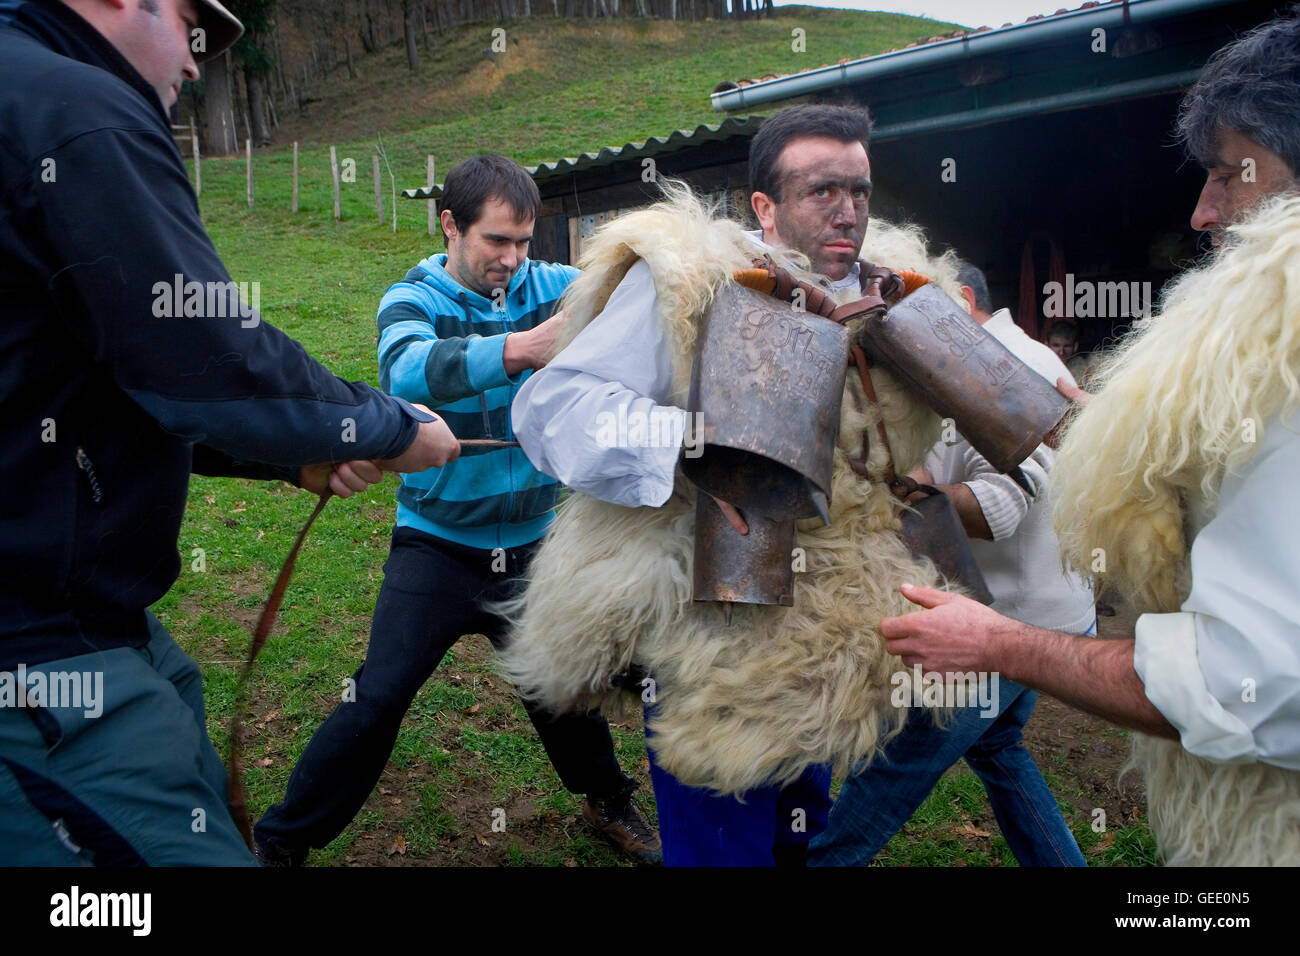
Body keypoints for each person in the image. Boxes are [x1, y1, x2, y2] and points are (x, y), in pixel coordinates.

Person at [0, 0, 460, 865]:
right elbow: (209, 357)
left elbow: (108, 380)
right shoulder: (76, 109)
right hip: (34, 654)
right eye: (188, 20)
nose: (200, 59)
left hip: (92, 616)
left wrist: (296, 462)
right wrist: (391, 427)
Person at [882, 7, 1300, 865]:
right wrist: (1099, 438)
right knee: (1004, 758)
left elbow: (1247, 684)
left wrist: (994, 641)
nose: (1202, 210)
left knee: (952, 749)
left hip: (1029, 623)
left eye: (1227, 175)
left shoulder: (1281, 355)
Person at [501, 105, 967, 865]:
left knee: (801, 827)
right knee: (724, 837)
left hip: (827, 631)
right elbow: (554, 408)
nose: (847, 210)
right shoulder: (692, 285)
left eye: (859, 190)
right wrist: (700, 441)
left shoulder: (889, 294)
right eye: (822, 190)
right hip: (712, 621)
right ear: (764, 206)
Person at [254, 154, 660, 866]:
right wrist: (516, 348)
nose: (512, 258)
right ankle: (281, 840)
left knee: (560, 689)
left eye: (524, 242)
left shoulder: (556, 287)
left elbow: (641, 285)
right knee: (374, 699)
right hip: (436, 547)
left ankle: (608, 801)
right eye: (495, 241)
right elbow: (406, 369)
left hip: (536, 549)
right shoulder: (410, 298)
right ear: (450, 225)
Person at [809, 260, 1094, 867]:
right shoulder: (971, 367)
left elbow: (1003, 503)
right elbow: (942, 462)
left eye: (920, 307)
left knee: (893, 769)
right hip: (1044, 612)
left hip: (1008, 624)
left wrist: (886, 504)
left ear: (960, 300)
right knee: (1001, 756)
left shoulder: (1010, 367)